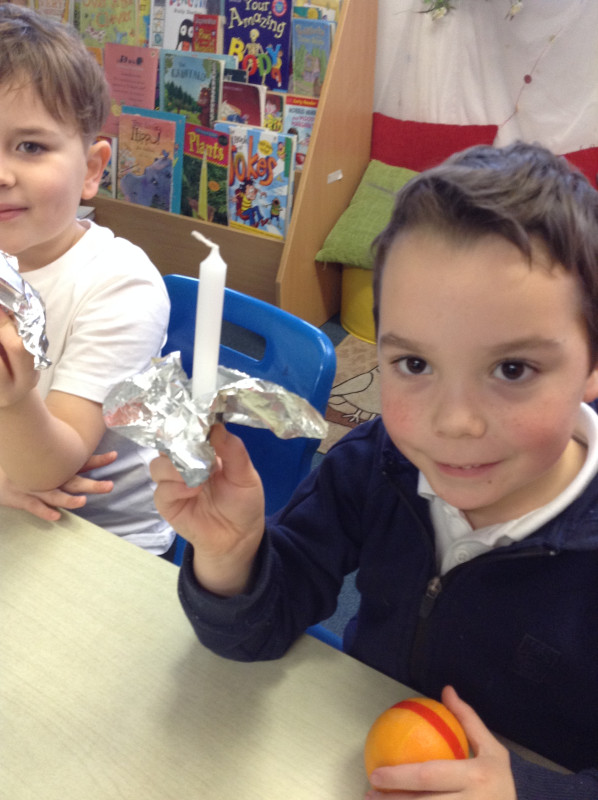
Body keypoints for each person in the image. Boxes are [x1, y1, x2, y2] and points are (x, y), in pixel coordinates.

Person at [151, 140, 598, 797]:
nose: (455, 422)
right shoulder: (372, 464)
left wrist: (526, 791)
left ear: (591, 366)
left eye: (512, 369)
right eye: (414, 364)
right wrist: (231, 556)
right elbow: (258, 630)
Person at [0, 3, 174, 557]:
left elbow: (51, 467)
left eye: (30, 146)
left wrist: (14, 398)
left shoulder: (120, 285)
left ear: (92, 169)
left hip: (100, 540)